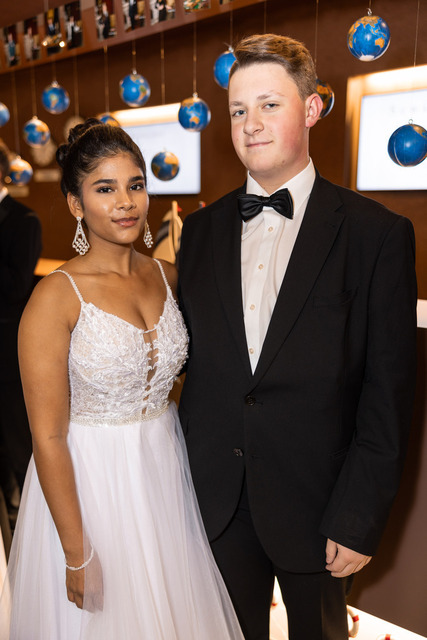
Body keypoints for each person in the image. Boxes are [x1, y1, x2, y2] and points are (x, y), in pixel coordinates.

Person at [178, 34, 418, 640]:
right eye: (238, 110)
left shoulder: (377, 236)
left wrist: (358, 516)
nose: (251, 124)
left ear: (311, 109)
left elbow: (388, 395)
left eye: (269, 105)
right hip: (216, 506)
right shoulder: (198, 233)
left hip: (321, 508)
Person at [0, 120, 243, 640]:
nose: (126, 202)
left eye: (135, 185)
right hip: (92, 485)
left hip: (166, 474)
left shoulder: (168, 277)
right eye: (105, 189)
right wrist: (76, 552)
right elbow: (47, 436)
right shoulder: (55, 298)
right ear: (76, 203)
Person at [0, 141, 42, 518]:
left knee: (18, 439)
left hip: (7, 352)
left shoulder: (24, 220)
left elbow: (17, 288)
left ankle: (30, 512)